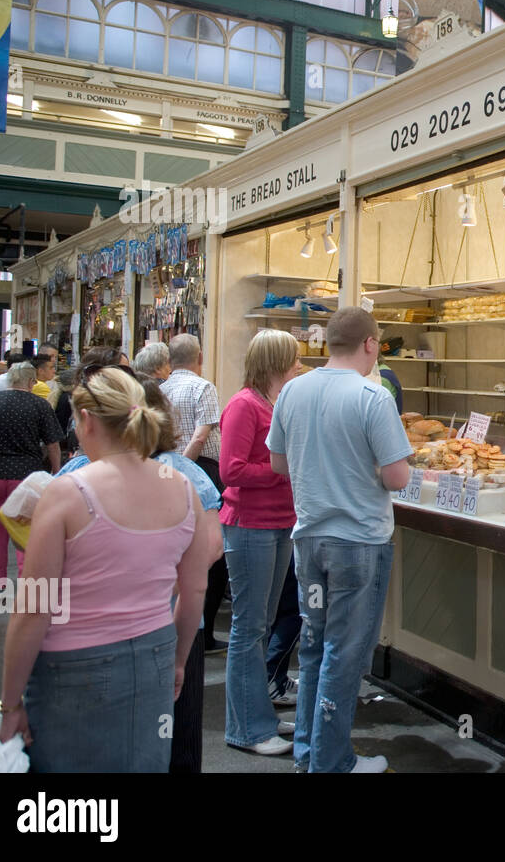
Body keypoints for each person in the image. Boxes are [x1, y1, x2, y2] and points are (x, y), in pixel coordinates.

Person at [0, 368, 211, 772]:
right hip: (154, 654)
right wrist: (178, 660)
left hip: (72, 667)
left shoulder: (67, 491)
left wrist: (10, 702)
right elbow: (194, 589)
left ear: (87, 420)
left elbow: (32, 610)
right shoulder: (181, 487)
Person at [56, 368, 225, 773]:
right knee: (177, 740)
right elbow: (212, 551)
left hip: (90, 634)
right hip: (173, 626)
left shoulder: (72, 476)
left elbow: (38, 564)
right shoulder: (186, 474)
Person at [267, 307, 411, 772]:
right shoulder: (374, 396)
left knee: (314, 646)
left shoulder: (292, 390)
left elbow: (279, 465)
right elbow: (397, 477)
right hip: (359, 544)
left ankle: (309, 753)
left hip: (308, 540)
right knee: (345, 656)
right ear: (370, 344)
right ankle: (333, 762)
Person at [220, 330, 303, 757]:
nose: (298, 366)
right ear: (274, 362)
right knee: (249, 628)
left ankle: (258, 716)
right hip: (249, 525)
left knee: (261, 625)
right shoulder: (243, 405)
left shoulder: (276, 403)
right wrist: (281, 470)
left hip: (278, 524)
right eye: (292, 359)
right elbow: (230, 471)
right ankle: (247, 728)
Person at [0, 363, 63, 589]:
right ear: (32, 383)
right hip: (26, 478)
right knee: (27, 532)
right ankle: (27, 582)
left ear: (9, 380)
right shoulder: (40, 404)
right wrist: (56, 471)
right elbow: (53, 443)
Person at [161, 332, 228, 652]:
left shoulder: (160, 390)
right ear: (199, 357)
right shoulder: (203, 387)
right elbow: (202, 434)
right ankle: (203, 631)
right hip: (200, 469)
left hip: (165, 468)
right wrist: (184, 467)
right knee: (210, 555)